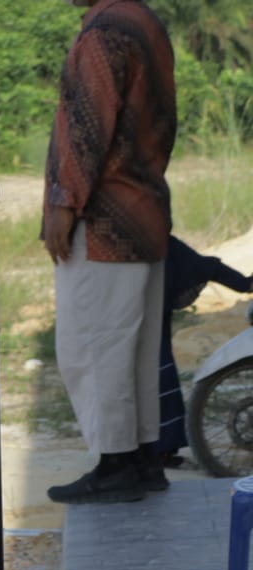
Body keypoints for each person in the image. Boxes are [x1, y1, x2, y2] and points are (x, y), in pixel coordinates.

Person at [42, 0, 177, 505]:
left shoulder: (101, 34)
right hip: (144, 210)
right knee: (132, 349)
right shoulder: (143, 22)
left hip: (104, 220)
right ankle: (141, 461)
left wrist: (63, 201)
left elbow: (87, 128)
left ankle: (117, 464)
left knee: (95, 347)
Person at [155, 235, 253, 467]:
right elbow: (204, 266)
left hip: (138, 312)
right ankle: (160, 448)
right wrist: (244, 284)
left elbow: (203, 266)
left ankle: (158, 449)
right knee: (157, 375)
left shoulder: (140, 237)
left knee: (155, 375)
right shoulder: (148, 236)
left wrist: (244, 284)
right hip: (143, 313)